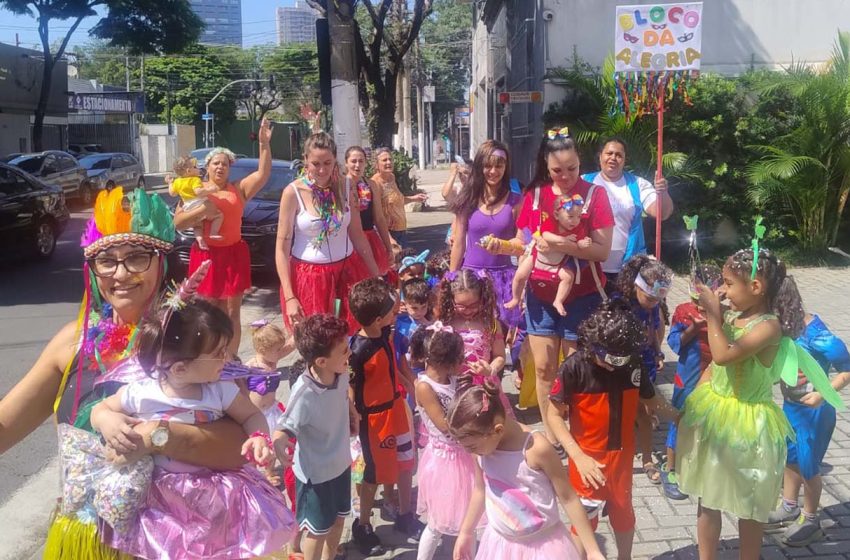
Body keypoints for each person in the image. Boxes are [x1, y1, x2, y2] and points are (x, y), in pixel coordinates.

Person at [0, 187, 253, 559]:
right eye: (107, 260)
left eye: (136, 257)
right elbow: (6, 425)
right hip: (83, 539)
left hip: (174, 542)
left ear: (161, 262)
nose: (120, 273)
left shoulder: (198, 339)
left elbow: (240, 447)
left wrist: (156, 436)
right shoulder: (73, 342)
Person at [91, 299, 296, 559]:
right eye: (219, 353)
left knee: (216, 548)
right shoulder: (141, 392)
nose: (227, 357)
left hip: (214, 491)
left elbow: (251, 415)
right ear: (180, 367)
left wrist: (258, 437)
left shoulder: (219, 390)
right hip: (161, 498)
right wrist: (107, 420)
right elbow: (101, 409)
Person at [676, 247, 841, 560]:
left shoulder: (769, 327)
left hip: (748, 425)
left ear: (755, 287)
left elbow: (724, 355)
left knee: (749, 504)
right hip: (716, 414)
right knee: (707, 498)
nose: (722, 291)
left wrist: (713, 315)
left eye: (727, 284)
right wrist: (691, 406)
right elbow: (713, 367)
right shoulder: (735, 316)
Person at [483, 128, 614, 444]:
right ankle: (554, 436)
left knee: (575, 368)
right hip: (540, 296)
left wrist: (559, 244)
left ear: (580, 162)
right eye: (557, 170)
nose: (566, 176)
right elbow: (523, 241)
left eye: (572, 168)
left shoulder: (595, 195)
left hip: (581, 296)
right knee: (542, 369)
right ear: (546, 165)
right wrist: (502, 246)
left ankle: (578, 433)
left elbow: (602, 251)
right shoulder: (536, 194)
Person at [547, 298, 679, 560]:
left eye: (621, 360)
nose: (614, 366)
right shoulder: (574, 367)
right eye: (608, 359)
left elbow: (653, 402)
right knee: (584, 519)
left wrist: (682, 417)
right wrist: (578, 456)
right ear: (593, 343)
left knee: (623, 513)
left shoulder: (632, 365)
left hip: (621, 458)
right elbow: (553, 415)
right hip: (586, 458)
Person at [447, 376, 605, 560]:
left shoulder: (536, 449)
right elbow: (480, 489)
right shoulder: (480, 450)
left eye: (471, 447)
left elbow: (569, 498)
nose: (468, 452)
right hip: (500, 546)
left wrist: (592, 550)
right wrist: (466, 532)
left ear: (497, 430)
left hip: (543, 548)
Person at [174, 119, 275, 358]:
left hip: (233, 255)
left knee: (232, 313)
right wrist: (201, 211)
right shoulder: (194, 193)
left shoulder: (237, 189)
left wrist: (264, 144)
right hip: (206, 256)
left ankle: (229, 360)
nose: (220, 168)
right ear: (207, 168)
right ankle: (208, 357)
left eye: (225, 164)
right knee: (208, 311)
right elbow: (178, 223)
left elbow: (263, 173)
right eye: (216, 164)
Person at [276, 131, 380, 335]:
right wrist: (290, 297)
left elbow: (358, 235)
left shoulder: (347, 186)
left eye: (327, 162)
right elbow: (281, 249)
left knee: (349, 338)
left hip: (348, 271)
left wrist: (377, 277)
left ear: (335, 160)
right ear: (306, 160)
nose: (322, 170)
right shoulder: (292, 192)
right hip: (310, 278)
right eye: (316, 163)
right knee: (318, 341)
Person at [766, 300, 850, 546]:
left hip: (814, 412)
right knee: (790, 457)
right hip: (792, 407)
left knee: (809, 465)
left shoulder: (817, 335)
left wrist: (823, 394)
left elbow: (847, 367)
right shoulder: (785, 329)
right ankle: (790, 505)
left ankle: (811, 518)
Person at [348, 278, 422, 555]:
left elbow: (393, 366)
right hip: (374, 420)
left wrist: (409, 385)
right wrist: (353, 415)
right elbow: (350, 386)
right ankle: (363, 525)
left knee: (405, 461)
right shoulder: (358, 349)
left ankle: (405, 515)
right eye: (393, 308)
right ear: (378, 318)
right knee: (373, 474)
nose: (398, 309)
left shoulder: (385, 332)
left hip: (396, 407)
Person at [276, 314, 355, 560]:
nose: (349, 353)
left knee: (339, 522)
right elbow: (284, 427)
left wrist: (352, 409)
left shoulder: (340, 371)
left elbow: (344, 392)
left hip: (341, 464)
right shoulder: (304, 393)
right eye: (344, 350)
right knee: (317, 531)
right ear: (321, 361)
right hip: (316, 476)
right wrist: (278, 443)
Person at [410, 325, 481, 560]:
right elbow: (445, 426)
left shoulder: (452, 378)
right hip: (444, 462)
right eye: (460, 359)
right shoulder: (424, 387)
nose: (463, 362)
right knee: (436, 524)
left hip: (463, 458)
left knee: (469, 522)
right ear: (445, 361)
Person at [662, 264, 721, 501]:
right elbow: (675, 345)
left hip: (716, 373)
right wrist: (692, 329)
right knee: (681, 417)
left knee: (712, 419)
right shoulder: (684, 312)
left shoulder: (722, 312)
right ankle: (670, 469)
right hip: (689, 374)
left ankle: (702, 465)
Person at [448, 140, 523, 329]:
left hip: (504, 280)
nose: (493, 171)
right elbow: (458, 244)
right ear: (480, 166)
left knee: (501, 337)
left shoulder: (516, 201)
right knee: (472, 335)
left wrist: (504, 246)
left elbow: (522, 245)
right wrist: (450, 278)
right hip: (471, 279)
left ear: (506, 167)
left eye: (499, 165)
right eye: (488, 165)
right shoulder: (468, 199)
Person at [582, 137, 674, 285]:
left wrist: (663, 192)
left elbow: (661, 214)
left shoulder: (638, 184)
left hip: (629, 269)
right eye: (609, 153)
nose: (613, 158)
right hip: (590, 266)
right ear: (600, 156)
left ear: (624, 160)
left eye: (619, 155)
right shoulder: (584, 182)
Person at [614, 254, 673, 485]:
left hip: (644, 361)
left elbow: (653, 330)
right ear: (637, 285)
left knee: (644, 413)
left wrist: (658, 350)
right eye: (649, 298)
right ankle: (619, 456)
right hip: (621, 363)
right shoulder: (619, 302)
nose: (652, 303)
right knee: (619, 413)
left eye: (657, 300)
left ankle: (647, 458)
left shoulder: (652, 305)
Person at [506, 193, 592, 317]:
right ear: (556, 215)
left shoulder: (577, 229)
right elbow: (545, 235)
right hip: (538, 257)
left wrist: (583, 243)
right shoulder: (550, 223)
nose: (575, 221)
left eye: (578, 217)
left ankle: (558, 300)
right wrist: (563, 240)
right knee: (520, 274)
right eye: (570, 216)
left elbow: (579, 242)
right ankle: (515, 297)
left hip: (559, 262)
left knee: (568, 277)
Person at [436, 269, 510, 410]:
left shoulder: (490, 323)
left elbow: (500, 356)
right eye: (461, 306)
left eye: (474, 305)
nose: (468, 310)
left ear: (482, 298)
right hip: (453, 384)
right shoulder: (445, 323)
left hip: (483, 385)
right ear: (451, 299)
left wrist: (491, 369)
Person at [346, 146, 393, 275]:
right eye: (353, 161)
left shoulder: (371, 184)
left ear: (365, 163)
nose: (357, 165)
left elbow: (379, 218)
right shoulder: (341, 185)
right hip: (349, 241)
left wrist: (388, 247)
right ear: (346, 163)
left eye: (361, 161)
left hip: (370, 238)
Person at [372, 147, 428, 248]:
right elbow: (376, 216)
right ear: (376, 164)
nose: (389, 162)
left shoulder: (391, 177)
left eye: (390, 159)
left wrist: (414, 198)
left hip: (401, 230)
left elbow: (396, 200)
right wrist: (389, 239)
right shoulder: (375, 183)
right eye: (384, 160)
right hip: (389, 233)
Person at [169, 155, 224, 251]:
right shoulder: (195, 179)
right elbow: (199, 192)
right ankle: (214, 232)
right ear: (189, 171)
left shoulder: (177, 182)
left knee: (197, 226)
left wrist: (170, 183)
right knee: (219, 215)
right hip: (198, 202)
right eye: (195, 167)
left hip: (187, 206)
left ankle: (200, 239)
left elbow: (172, 193)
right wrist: (211, 189)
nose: (198, 169)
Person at [394, 277, 435, 377]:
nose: (419, 312)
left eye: (423, 307)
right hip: (401, 368)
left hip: (420, 370)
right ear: (405, 303)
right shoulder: (398, 321)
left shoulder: (429, 326)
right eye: (414, 308)